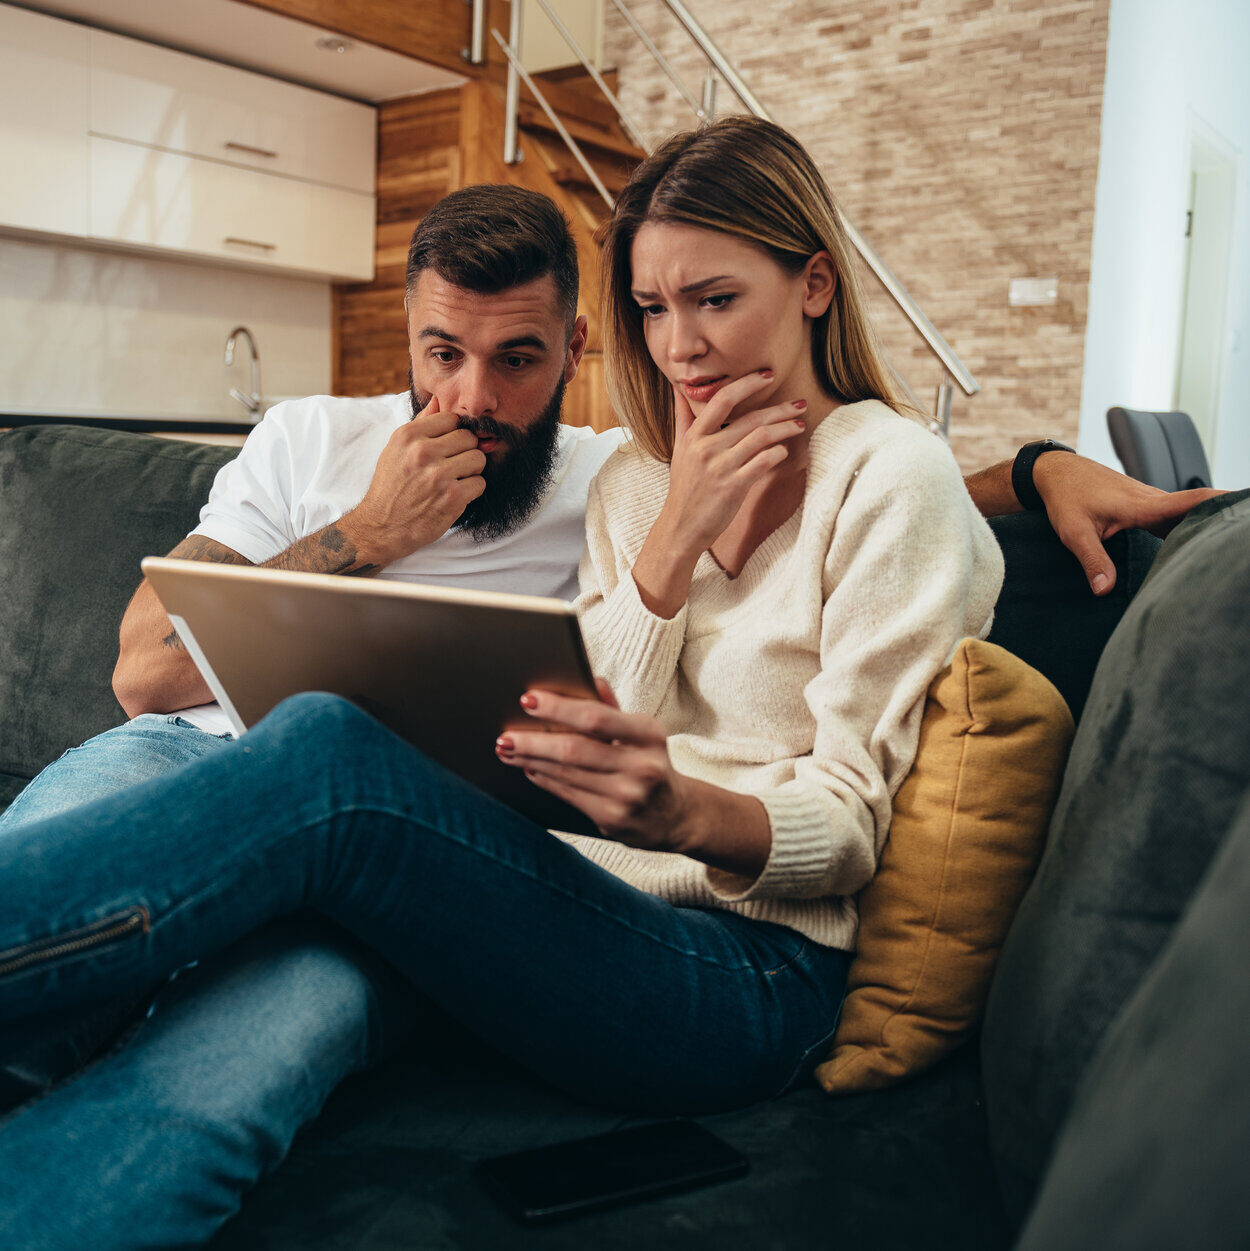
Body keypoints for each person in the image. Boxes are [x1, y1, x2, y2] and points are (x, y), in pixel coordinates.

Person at [0, 143, 1220, 1247]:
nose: (680, 343)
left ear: (811, 284)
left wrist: (684, 812)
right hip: (581, 905)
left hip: (749, 972)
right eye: (652, 306)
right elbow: (583, 725)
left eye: (713, 299)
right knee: (265, 1008)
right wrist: (667, 546)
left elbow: (848, 825)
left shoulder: (886, 481)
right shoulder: (635, 482)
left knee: (332, 746)